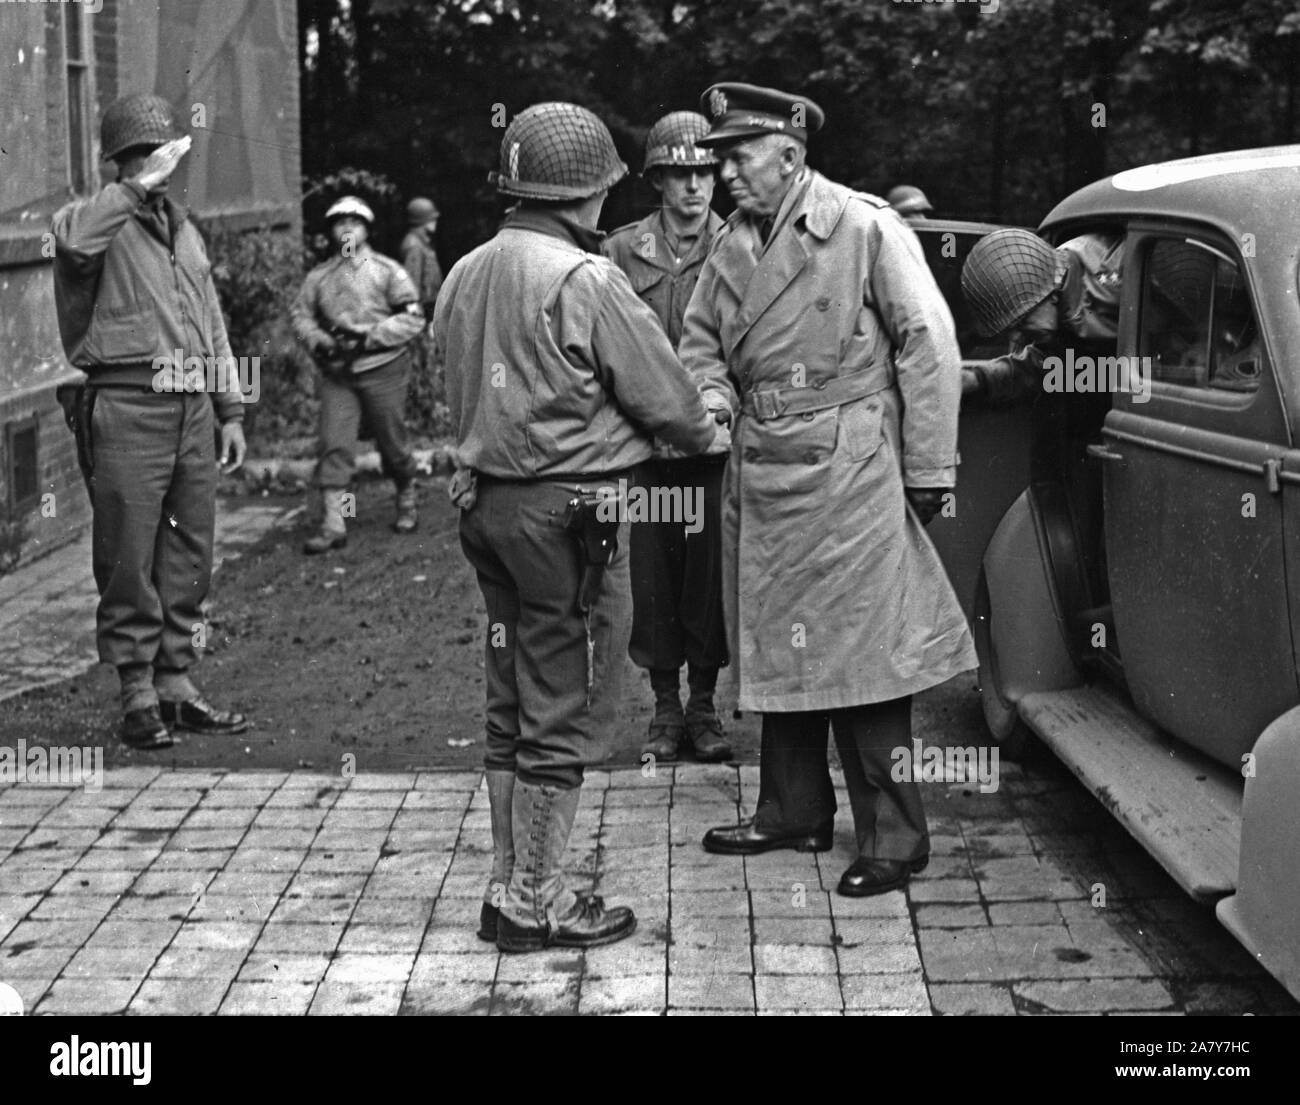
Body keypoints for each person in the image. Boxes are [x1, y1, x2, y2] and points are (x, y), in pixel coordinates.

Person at [432, 102, 725, 952]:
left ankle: (503, 886)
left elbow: (459, 387)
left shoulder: (466, 269)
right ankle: (537, 904)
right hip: (569, 517)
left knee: (509, 699)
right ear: (586, 195)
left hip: (485, 507)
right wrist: (707, 418)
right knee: (563, 700)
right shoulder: (586, 278)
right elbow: (669, 401)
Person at [682, 82, 977, 898]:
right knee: (779, 641)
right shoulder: (732, 241)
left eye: (738, 158)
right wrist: (710, 396)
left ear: (791, 153)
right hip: (764, 462)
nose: (725, 175)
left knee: (862, 654)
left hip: (850, 466)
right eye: (722, 159)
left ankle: (895, 836)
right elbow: (699, 341)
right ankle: (793, 811)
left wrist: (928, 468)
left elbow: (930, 342)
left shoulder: (863, 225)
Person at [50, 93, 249, 749]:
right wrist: (133, 189)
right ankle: (136, 689)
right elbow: (75, 245)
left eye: (166, 155)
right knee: (128, 553)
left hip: (192, 406)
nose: (163, 168)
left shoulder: (183, 230)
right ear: (123, 163)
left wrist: (230, 408)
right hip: (127, 401)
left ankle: (176, 683)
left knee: (191, 550)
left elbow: (212, 321)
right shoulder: (87, 219)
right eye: (148, 157)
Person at [603, 111, 731, 765]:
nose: (694, 186)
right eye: (680, 173)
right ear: (656, 179)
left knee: (709, 581)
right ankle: (665, 706)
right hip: (647, 450)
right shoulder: (621, 251)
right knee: (651, 579)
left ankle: (704, 705)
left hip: (713, 448)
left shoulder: (740, 244)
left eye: (705, 171)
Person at [291, 196, 426, 552]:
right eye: (339, 222)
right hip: (339, 371)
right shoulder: (319, 277)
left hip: (382, 366)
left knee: (392, 441)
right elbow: (300, 317)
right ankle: (334, 523)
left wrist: (370, 337)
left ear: (367, 229)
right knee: (334, 442)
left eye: (355, 221)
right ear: (331, 231)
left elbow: (413, 316)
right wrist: (321, 341)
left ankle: (407, 497)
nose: (347, 228)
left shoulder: (387, 271)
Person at [960, 227, 1123, 404]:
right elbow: (1043, 364)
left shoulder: (1113, 270)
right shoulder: (1053, 291)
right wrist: (977, 379)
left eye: (1022, 322)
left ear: (1050, 294)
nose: (1017, 335)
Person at [400, 197, 443, 320]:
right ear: (421, 220)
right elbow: (412, 286)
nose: (435, 221)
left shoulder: (422, 242)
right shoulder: (414, 245)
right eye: (432, 219)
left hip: (430, 309)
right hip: (423, 312)